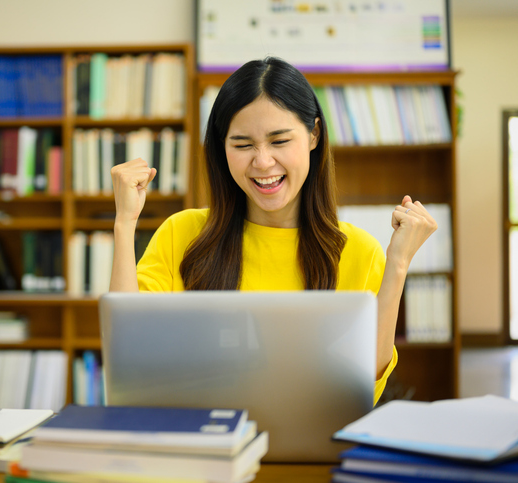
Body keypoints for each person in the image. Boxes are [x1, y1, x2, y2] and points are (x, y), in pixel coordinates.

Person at [109, 57, 437, 404]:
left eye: (279, 141)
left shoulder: (359, 251)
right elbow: (128, 352)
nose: (262, 162)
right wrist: (124, 223)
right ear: (222, 147)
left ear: (313, 134)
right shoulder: (182, 233)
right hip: (199, 444)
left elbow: (365, 385)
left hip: (309, 452)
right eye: (242, 144)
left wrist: (398, 264)